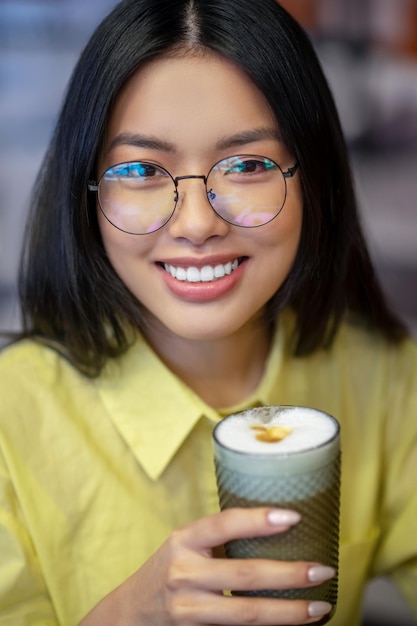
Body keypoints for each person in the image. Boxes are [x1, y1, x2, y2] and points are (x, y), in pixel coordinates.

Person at [0, 0, 416, 624]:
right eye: (139, 169)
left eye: (249, 165)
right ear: (85, 193)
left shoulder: (387, 378)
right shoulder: (11, 419)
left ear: (316, 179)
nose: (197, 224)